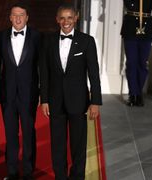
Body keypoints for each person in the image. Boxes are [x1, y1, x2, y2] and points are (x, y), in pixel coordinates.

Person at [40, 3, 102, 180]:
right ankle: (60, 177)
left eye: (69, 17)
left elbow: (94, 74)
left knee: (78, 146)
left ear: (76, 18)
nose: (66, 21)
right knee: (57, 145)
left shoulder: (87, 41)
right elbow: (44, 73)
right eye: (62, 18)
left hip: (78, 101)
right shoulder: (48, 41)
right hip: (55, 101)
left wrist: (95, 101)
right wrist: (44, 99)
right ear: (57, 20)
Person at [0, 2, 40, 180]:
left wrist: (42, 92)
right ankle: (12, 172)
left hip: (29, 93)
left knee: (29, 133)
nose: (18, 18)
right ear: (10, 17)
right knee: (10, 134)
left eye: (21, 14)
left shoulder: (37, 37)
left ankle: (28, 173)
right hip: (7, 94)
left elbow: (42, 67)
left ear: (27, 17)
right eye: (15, 15)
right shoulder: (1, 36)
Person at [121, 0, 152, 106]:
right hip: (130, 28)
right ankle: (133, 94)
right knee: (131, 63)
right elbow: (128, 4)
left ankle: (139, 94)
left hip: (147, 28)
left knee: (142, 63)